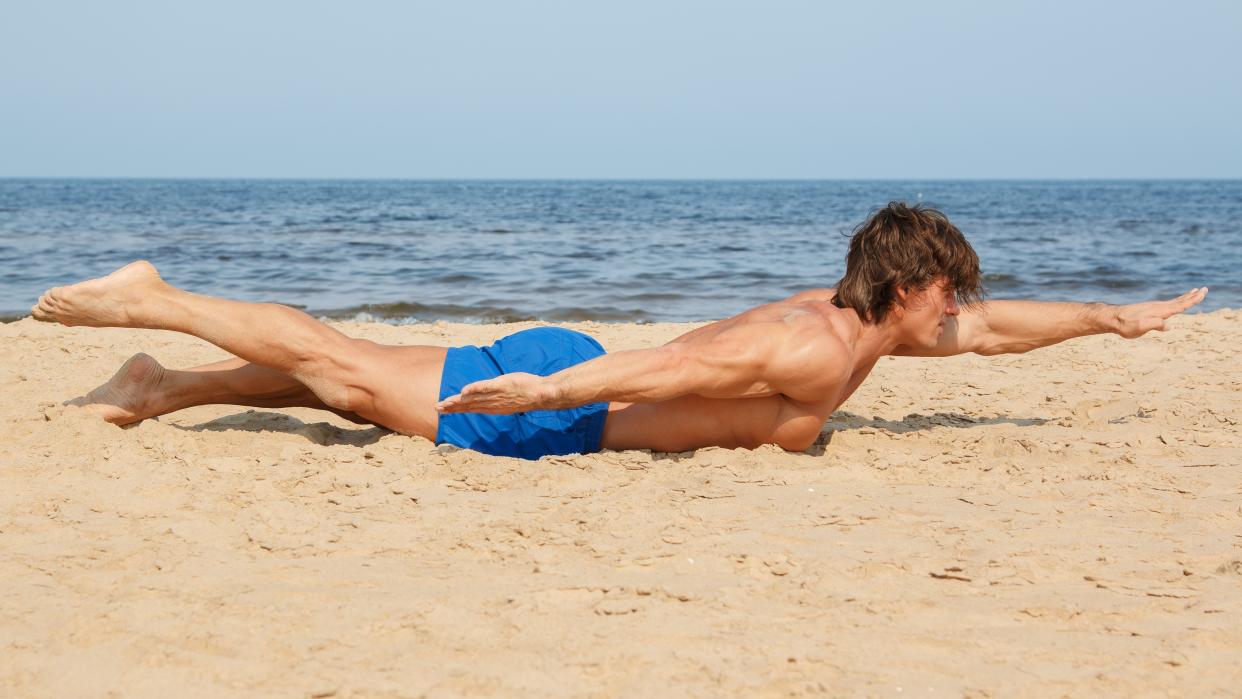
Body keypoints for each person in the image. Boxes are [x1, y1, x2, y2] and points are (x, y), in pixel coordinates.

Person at [32, 202, 1207, 460]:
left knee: (356, 390)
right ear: (906, 285)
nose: (962, 306)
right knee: (344, 364)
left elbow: (999, 336)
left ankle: (160, 384)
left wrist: (1116, 318)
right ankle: (157, 296)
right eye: (948, 288)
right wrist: (539, 398)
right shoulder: (807, 343)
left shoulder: (879, 334)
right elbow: (678, 364)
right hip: (570, 403)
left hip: (574, 394)